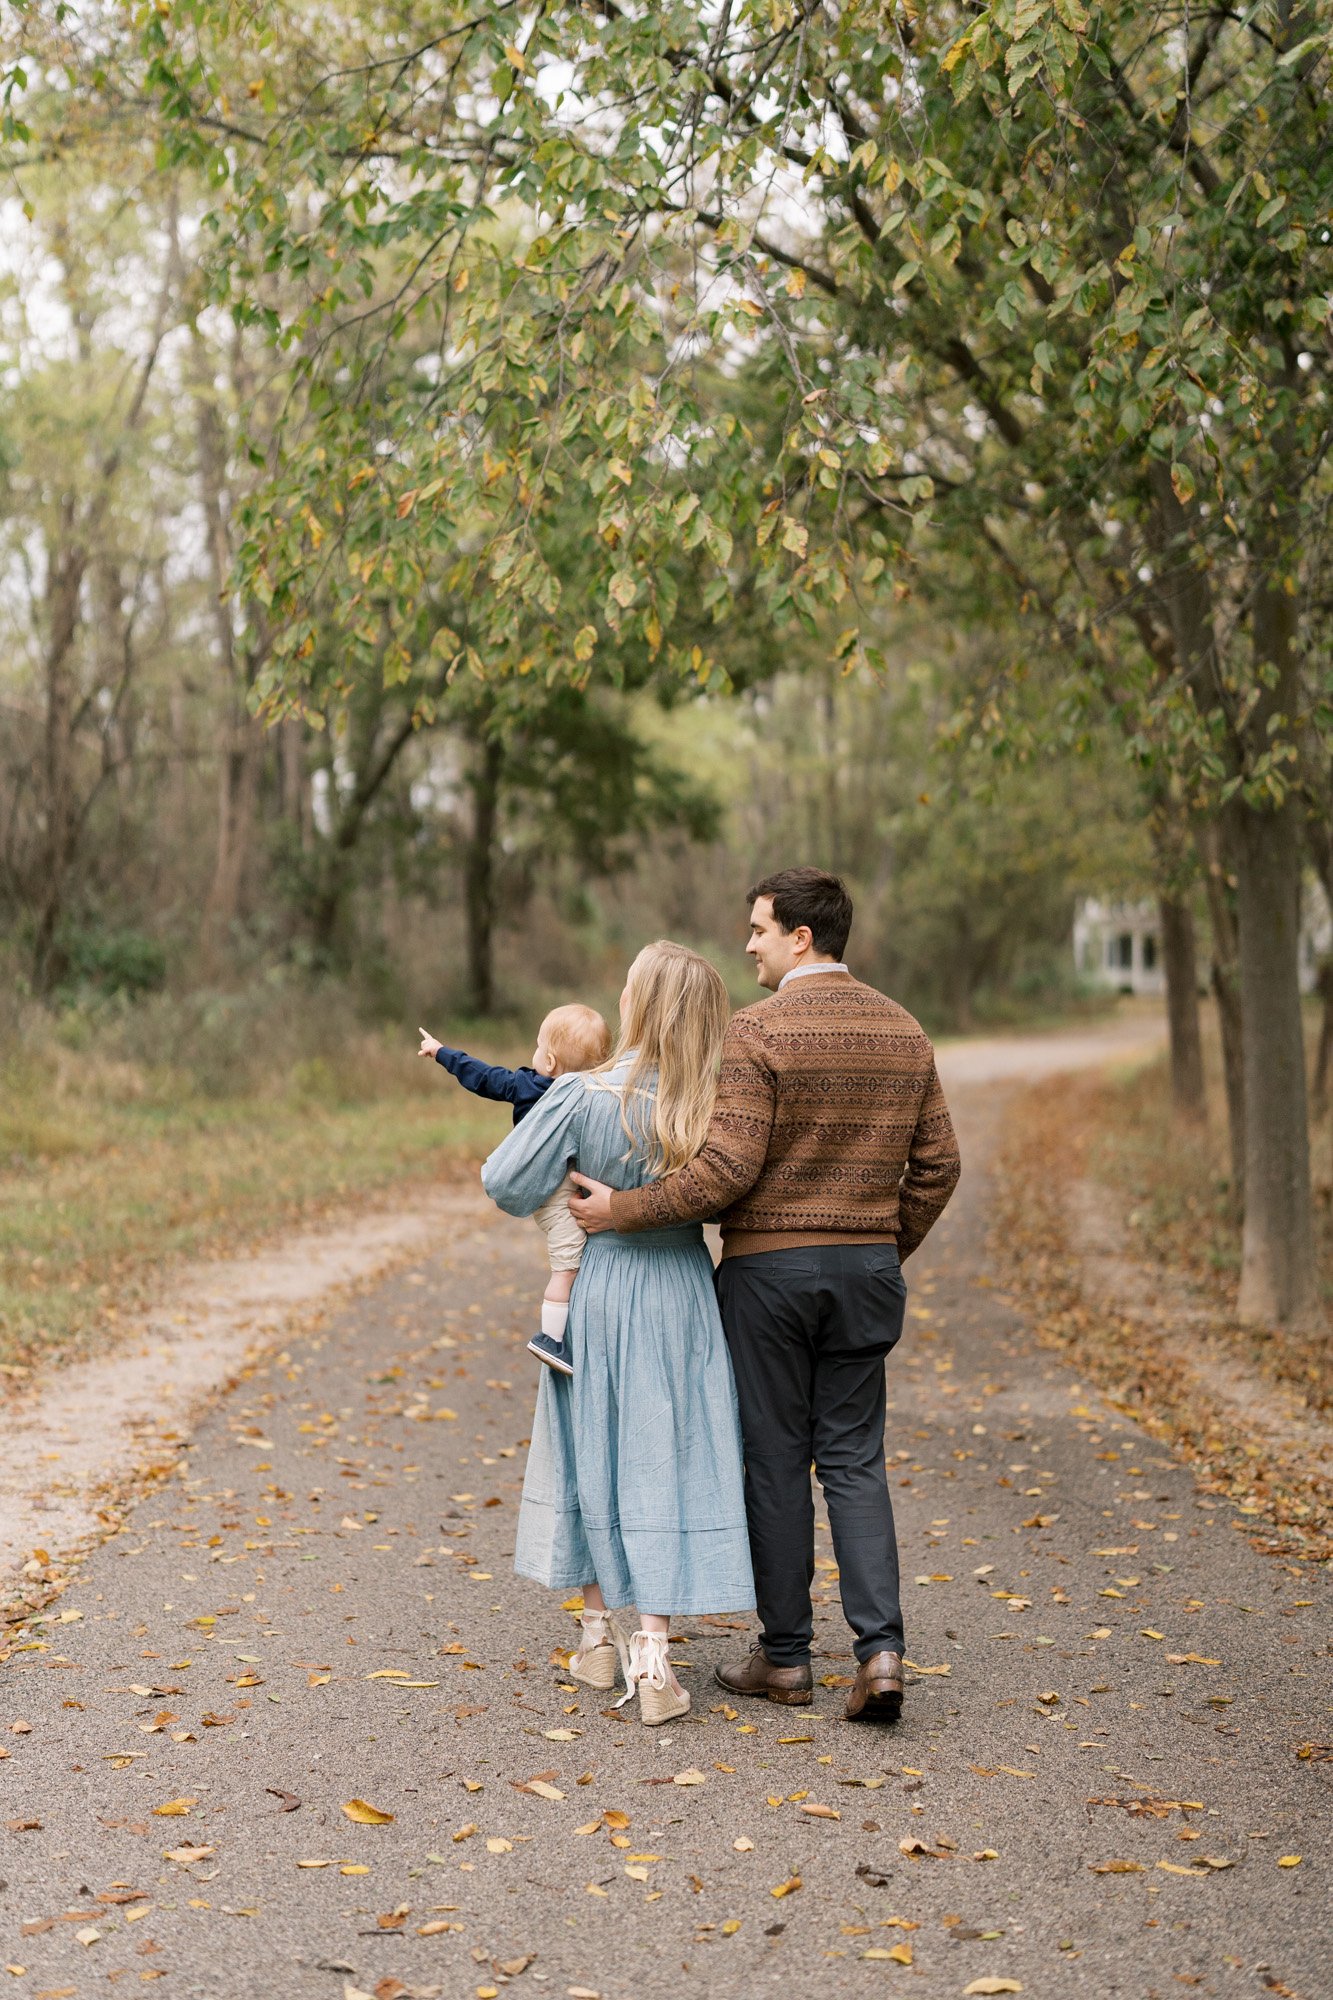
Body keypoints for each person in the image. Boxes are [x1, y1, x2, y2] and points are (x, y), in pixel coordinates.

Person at [570, 868, 961, 1724]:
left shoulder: (756, 1031)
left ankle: (784, 1661)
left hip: (768, 1278)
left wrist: (620, 1211)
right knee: (855, 1460)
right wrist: (881, 1246)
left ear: (800, 938)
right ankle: (880, 1653)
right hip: (866, 1276)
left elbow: (724, 1171)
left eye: (757, 928)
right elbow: (939, 1166)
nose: (746, 943)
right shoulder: (903, 1029)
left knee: (776, 1460)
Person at [480, 942, 755, 1724]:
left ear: (638, 1005)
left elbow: (503, 1179)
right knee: (663, 1454)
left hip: (600, 1287)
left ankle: (596, 1637)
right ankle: (653, 1654)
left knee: (593, 1446)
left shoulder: (582, 1095)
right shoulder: (711, 1102)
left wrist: (565, 1185)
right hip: (680, 1290)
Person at [418, 1005, 611, 1372]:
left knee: (577, 1258)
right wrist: (443, 1053)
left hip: (557, 1184)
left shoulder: (532, 1085)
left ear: (550, 1061)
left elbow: (484, 1076)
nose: (533, 1054)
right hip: (552, 1192)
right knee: (567, 1265)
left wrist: (443, 1053)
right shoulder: (588, 1096)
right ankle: (551, 1339)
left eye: (537, 1047)